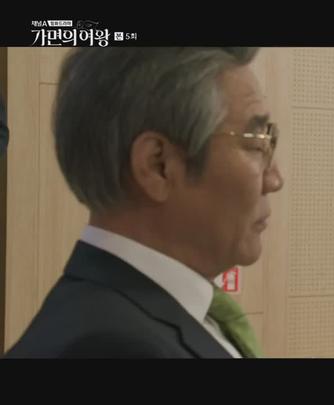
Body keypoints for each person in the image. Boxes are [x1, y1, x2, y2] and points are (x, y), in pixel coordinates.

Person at [5, 47, 283, 358]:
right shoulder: (110, 349)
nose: (275, 179)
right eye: (256, 145)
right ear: (158, 165)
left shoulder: (166, 314)